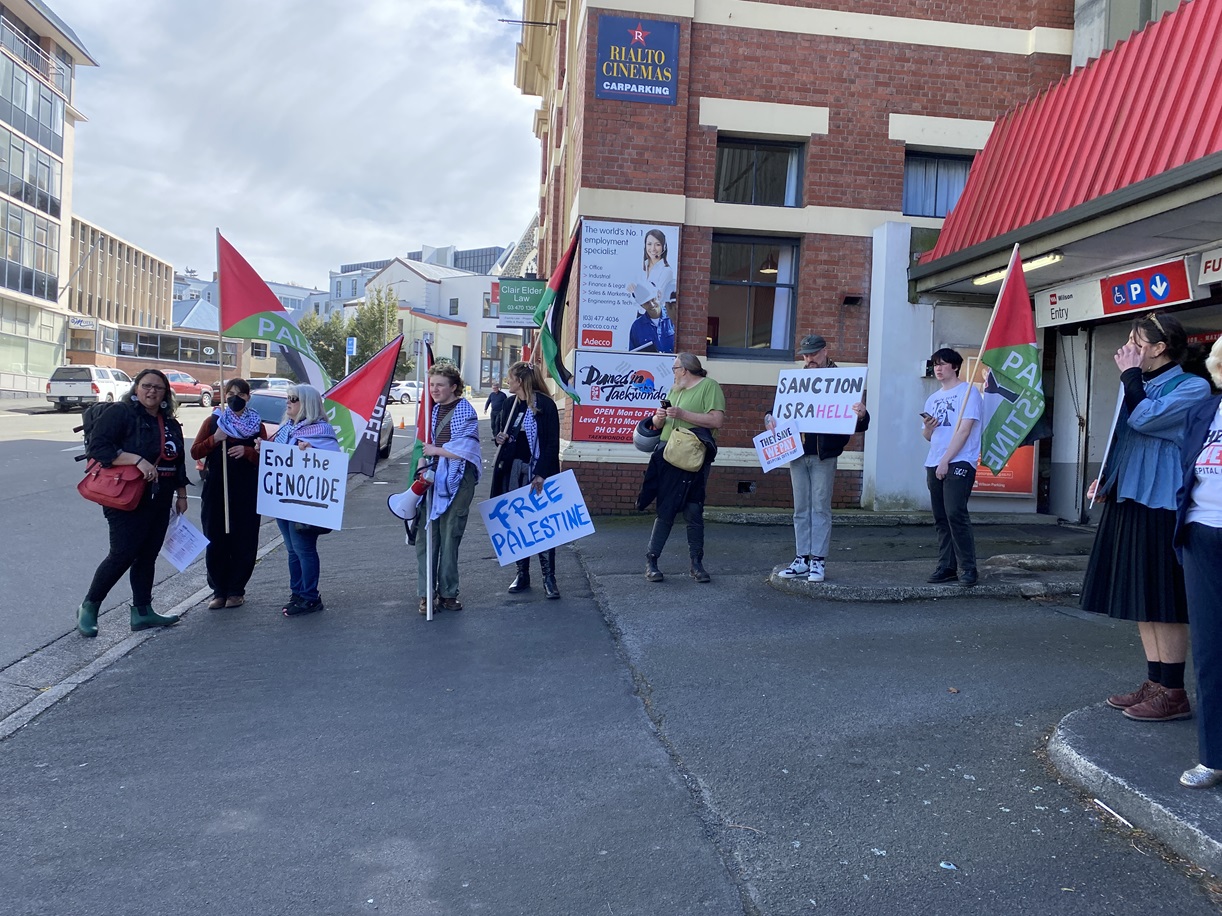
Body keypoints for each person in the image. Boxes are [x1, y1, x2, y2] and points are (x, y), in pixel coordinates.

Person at [1082, 312, 1210, 722]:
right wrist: (1106, 480)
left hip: (1163, 500)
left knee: (1164, 597)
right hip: (1130, 495)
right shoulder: (1142, 383)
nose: (1128, 348)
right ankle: (1155, 681)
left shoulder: (1193, 386)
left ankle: (1173, 690)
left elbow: (1145, 419)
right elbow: (1124, 437)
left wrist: (1130, 379)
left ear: (1160, 347)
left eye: (1137, 341)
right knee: (1141, 593)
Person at [76, 368, 189, 637]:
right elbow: (99, 448)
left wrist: (182, 495)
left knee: (148, 555)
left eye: (158, 388)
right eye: (146, 386)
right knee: (123, 553)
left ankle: (142, 611)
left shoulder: (169, 422)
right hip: (125, 495)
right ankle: (89, 606)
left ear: (165, 394)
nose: (152, 392)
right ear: (136, 388)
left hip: (160, 497)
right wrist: (136, 460)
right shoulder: (121, 413)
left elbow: (178, 460)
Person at [767, 334, 869, 583]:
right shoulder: (796, 380)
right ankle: (802, 558)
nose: (808, 358)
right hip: (797, 452)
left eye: (813, 354)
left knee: (820, 507)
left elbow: (859, 424)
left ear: (825, 351)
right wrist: (769, 418)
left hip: (824, 454)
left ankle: (818, 560)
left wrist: (862, 414)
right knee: (801, 508)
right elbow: (779, 409)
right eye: (805, 354)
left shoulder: (843, 381)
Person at [1174, 335, 1222, 788]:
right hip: (1201, 534)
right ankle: (1214, 756)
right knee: (1209, 650)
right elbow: (1187, 467)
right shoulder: (1203, 411)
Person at [635, 352, 725, 583]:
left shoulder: (709, 386)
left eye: (675, 368)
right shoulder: (674, 390)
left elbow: (716, 421)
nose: (673, 373)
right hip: (667, 453)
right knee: (666, 508)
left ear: (684, 369)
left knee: (693, 509)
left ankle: (696, 563)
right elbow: (659, 423)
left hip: (693, 455)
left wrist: (683, 414)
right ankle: (651, 560)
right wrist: (658, 418)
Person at [190, 378, 267, 610]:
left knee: (244, 539)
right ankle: (219, 590)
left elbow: (268, 458)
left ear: (248, 397)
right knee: (216, 538)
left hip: (246, 490)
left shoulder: (257, 425)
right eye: (230, 393)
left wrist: (248, 452)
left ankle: (236, 590)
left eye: (240, 394)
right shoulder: (214, 421)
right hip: (216, 489)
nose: (235, 398)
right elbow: (195, 451)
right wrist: (215, 439)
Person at [491, 361, 562, 599]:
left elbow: (552, 443)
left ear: (519, 381)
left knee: (542, 524)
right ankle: (522, 573)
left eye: (510, 378)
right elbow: (502, 434)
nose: (507, 382)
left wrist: (542, 472)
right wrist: (500, 438)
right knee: (518, 523)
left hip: (538, 471)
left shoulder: (544, 405)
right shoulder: (510, 404)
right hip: (513, 470)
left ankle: (549, 577)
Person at [416, 363, 482, 614]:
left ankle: (448, 592)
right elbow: (422, 443)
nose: (434, 389)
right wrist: (422, 462)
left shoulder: (465, 411)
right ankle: (425, 593)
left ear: (454, 387)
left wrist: (435, 451)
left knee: (450, 535)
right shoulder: (430, 411)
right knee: (427, 536)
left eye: (440, 385)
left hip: (458, 479)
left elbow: (467, 449)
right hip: (431, 476)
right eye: (432, 385)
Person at [272, 384, 340, 617]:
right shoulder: (286, 429)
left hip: (304, 503)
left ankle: (310, 597)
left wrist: (312, 452)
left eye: (294, 398)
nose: (288, 402)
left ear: (307, 403)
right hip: (283, 499)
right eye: (288, 398)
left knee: (304, 550)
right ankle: (298, 593)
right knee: (292, 551)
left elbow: (332, 463)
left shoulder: (320, 431)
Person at [921, 348, 983, 587]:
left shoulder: (968, 393)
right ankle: (947, 566)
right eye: (936, 364)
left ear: (955, 367)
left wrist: (946, 460)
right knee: (941, 517)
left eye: (944, 364)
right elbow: (928, 436)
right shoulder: (933, 398)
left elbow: (965, 430)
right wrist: (928, 426)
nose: (938, 368)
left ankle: (968, 568)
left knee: (956, 513)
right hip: (933, 460)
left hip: (959, 460)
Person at [627, 228, 676, 353]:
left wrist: (637, 291)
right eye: (649, 244)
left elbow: (656, 294)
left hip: (659, 314)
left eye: (657, 244)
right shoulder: (641, 268)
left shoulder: (666, 271)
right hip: (642, 316)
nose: (653, 248)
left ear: (663, 247)